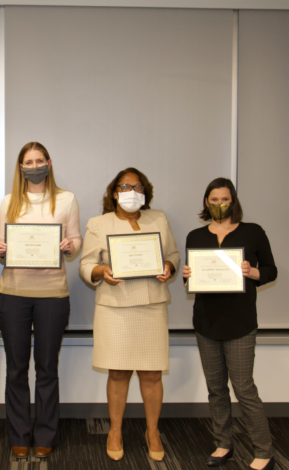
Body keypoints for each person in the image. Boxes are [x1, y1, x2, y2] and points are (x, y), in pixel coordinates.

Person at [79, 167, 179, 462]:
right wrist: (101, 271)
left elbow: (172, 255)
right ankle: (115, 431)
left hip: (152, 305)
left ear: (145, 192)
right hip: (115, 307)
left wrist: (169, 268)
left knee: (151, 373)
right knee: (118, 371)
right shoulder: (98, 223)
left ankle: (153, 431)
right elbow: (86, 266)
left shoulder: (158, 218)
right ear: (114, 192)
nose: (131, 192)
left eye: (137, 187)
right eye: (124, 186)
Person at [0, 142, 82, 459]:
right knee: (16, 370)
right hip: (13, 294)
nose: (34, 166)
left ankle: (45, 435)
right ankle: (19, 435)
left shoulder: (66, 199)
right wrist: (0, 251)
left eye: (39, 160)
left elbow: (76, 240)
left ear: (49, 162)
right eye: (28, 162)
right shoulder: (8, 202)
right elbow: (2, 249)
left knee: (47, 369)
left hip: (52, 295)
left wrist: (70, 245)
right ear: (20, 167)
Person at [182, 177, 277, 470]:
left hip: (240, 322)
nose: (219, 205)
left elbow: (271, 271)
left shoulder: (253, 232)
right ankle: (224, 444)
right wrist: (188, 275)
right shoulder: (195, 236)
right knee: (216, 389)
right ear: (206, 203)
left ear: (233, 201)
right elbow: (192, 280)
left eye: (225, 199)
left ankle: (264, 452)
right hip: (206, 321)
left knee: (244, 388)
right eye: (214, 200)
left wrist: (253, 273)